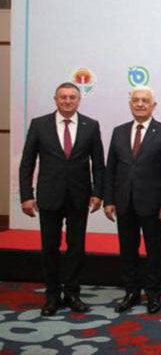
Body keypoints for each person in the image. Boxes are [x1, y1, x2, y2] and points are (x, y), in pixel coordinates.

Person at [19, 82, 105, 316]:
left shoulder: (91, 125)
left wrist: (98, 193)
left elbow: (99, 164)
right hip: (49, 196)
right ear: (55, 99)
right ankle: (52, 296)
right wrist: (26, 196)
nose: (67, 101)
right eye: (63, 97)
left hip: (79, 196)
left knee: (76, 248)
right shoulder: (39, 124)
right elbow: (27, 162)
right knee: (50, 247)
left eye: (72, 97)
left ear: (79, 100)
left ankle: (72, 293)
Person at [103, 86, 161, 314]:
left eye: (145, 100)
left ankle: (153, 294)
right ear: (130, 104)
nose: (140, 104)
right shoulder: (119, 131)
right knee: (127, 250)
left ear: (154, 105)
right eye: (136, 100)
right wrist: (109, 199)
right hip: (124, 202)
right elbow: (111, 169)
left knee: (154, 251)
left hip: (154, 204)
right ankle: (131, 292)